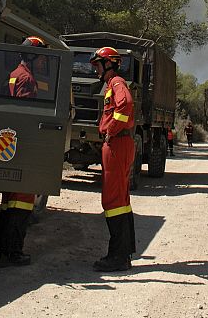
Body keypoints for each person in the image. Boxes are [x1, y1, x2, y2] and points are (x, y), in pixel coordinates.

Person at [0, 36, 47, 268]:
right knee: (23, 202)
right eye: (39, 57)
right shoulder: (26, 79)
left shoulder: (15, 73)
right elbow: (26, 115)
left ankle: (4, 252)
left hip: (9, 142)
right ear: (32, 56)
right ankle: (14, 253)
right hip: (22, 145)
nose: (41, 62)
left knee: (8, 202)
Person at [90, 46, 135, 272]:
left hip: (117, 143)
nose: (95, 69)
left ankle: (117, 257)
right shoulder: (112, 84)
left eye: (97, 65)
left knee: (113, 200)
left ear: (109, 64)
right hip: (119, 143)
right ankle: (124, 253)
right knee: (120, 199)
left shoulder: (117, 83)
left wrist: (112, 130)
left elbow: (125, 105)